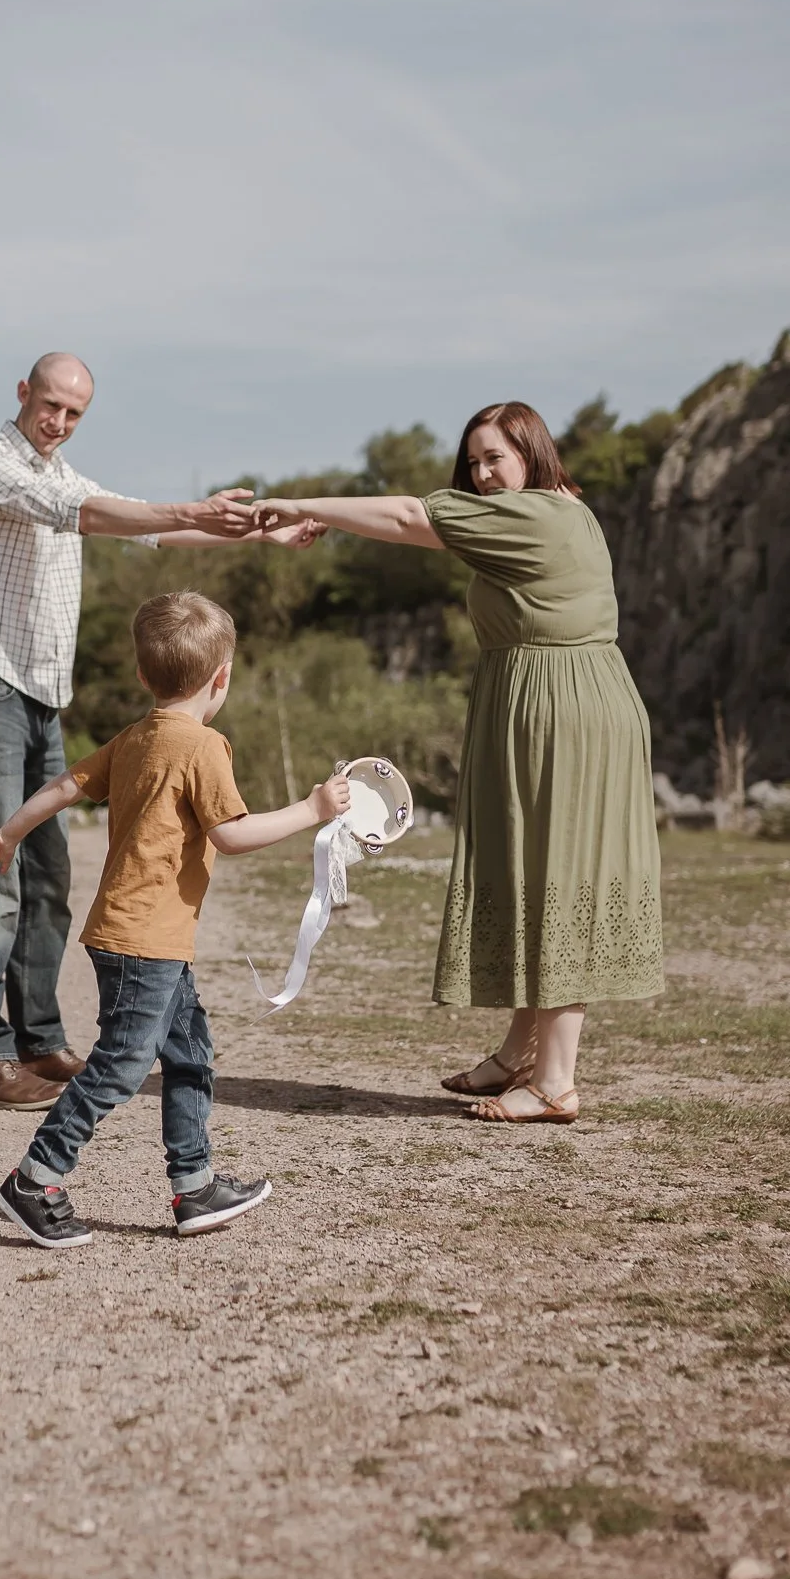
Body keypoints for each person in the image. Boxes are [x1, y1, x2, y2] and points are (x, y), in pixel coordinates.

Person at [253, 402, 663, 1123]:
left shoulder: (537, 513)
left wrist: (301, 502)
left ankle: (557, 1082)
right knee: (534, 868)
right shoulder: (546, 511)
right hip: (549, 697)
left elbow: (413, 518)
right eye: (473, 463)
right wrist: (335, 523)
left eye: (494, 458)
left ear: (531, 452)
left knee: (557, 872)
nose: (480, 474)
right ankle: (520, 1055)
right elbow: (421, 532)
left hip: (561, 706)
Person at [0, 352, 318, 1111]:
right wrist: (189, 509)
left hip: (42, 689)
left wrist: (248, 537)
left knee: (47, 876)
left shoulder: (60, 473)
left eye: (75, 413)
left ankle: (38, 1042)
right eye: (50, 406)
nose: (60, 422)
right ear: (22, 393)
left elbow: (149, 532)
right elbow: (100, 518)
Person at [0, 590, 350, 1247]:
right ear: (221, 676)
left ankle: (194, 1184)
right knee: (120, 1066)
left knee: (189, 1051)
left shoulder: (135, 737)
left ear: (143, 675)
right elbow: (231, 834)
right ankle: (36, 1177)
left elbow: (65, 787)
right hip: (144, 941)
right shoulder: (202, 746)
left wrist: (8, 833)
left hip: (138, 935)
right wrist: (312, 810)